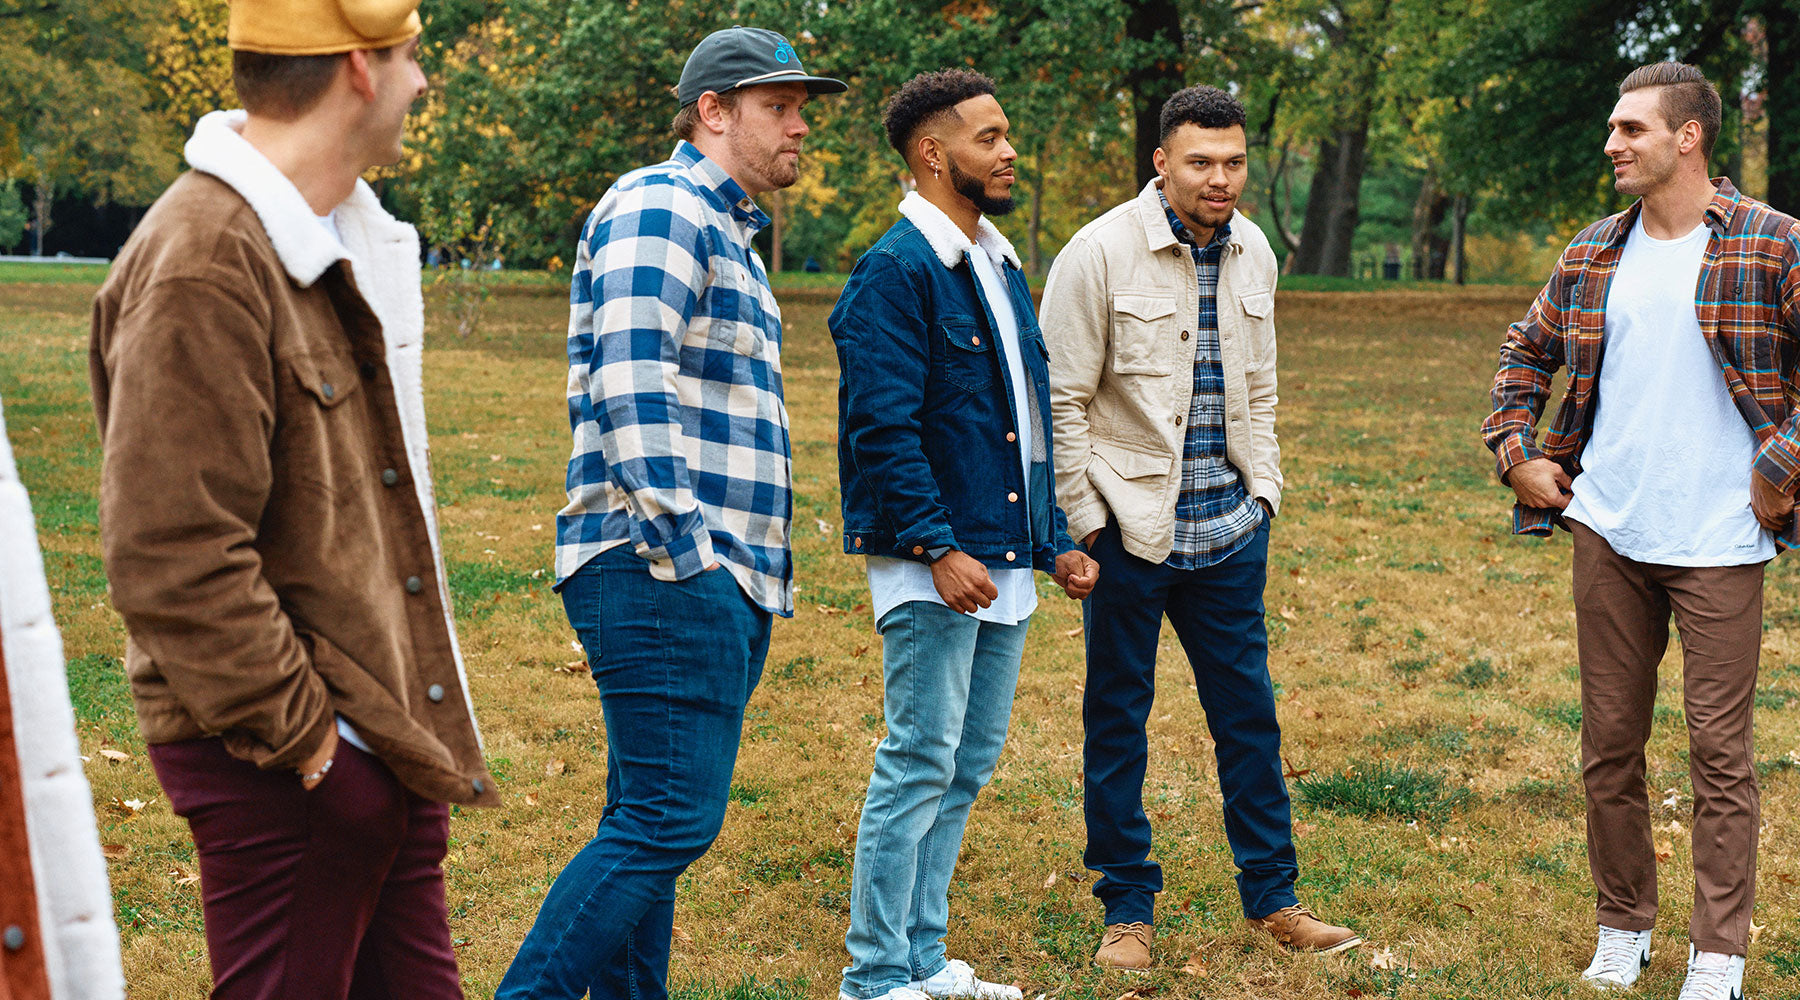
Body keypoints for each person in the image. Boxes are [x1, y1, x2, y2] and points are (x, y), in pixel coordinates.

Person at [87, 0, 496, 996]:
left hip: (379, 736)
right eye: (409, 58)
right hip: (280, 760)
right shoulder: (205, 258)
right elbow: (172, 556)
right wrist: (316, 750)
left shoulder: (342, 232)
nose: (421, 80)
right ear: (360, 67)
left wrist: (374, 751)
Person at [497, 26, 846, 1000]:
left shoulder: (728, 233)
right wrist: (688, 550)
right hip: (664, 569)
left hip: (706, 575)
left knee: (648, 816)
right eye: (780, 106)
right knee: (667, 823)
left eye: (801, 108)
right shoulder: (663, 205)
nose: (799, 126)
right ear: (714, 110)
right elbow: (631, 382)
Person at [1482, 61, 1800, 1000]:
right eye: (1613, 129)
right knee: (1610, 745)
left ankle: (1719, 952)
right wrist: (1515, 451)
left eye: (1630, 129)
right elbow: (1523, 353)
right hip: (1610, 532)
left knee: (1720, 754)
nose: (1612, 144)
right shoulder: (1593, 252)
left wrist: (1779, 474)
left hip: (1721, 542)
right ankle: (1623, 925)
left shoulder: (1773, 246)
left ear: (1688, 136)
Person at [1041, 85, 1360, 972]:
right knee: (1118, 720)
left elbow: (1258, 386)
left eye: (1234, 162)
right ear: (1162, 163)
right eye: (1200, 162)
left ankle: (1275, 900)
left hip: (1229, 529)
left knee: (1249, 720)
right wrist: (1085, 522)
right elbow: (1060, 401)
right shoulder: (1097, 253)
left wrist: (1267, 493)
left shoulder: (1254, 248)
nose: (1220, 180)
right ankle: (1127, 911)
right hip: (1129, 534)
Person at [830, 69, 1099, 1000]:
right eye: (989, 137)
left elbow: (1022, 421)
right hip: (936, 562)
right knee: (917, 760)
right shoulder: (895, 273)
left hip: (1003, 557)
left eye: (1008, 133)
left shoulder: (997, 263)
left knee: (966, 764)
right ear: (934, 154)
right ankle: (871, 979)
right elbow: (883, 428)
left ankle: (922, 962)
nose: (1008, 150)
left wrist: (1053, 535)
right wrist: (936, 545)